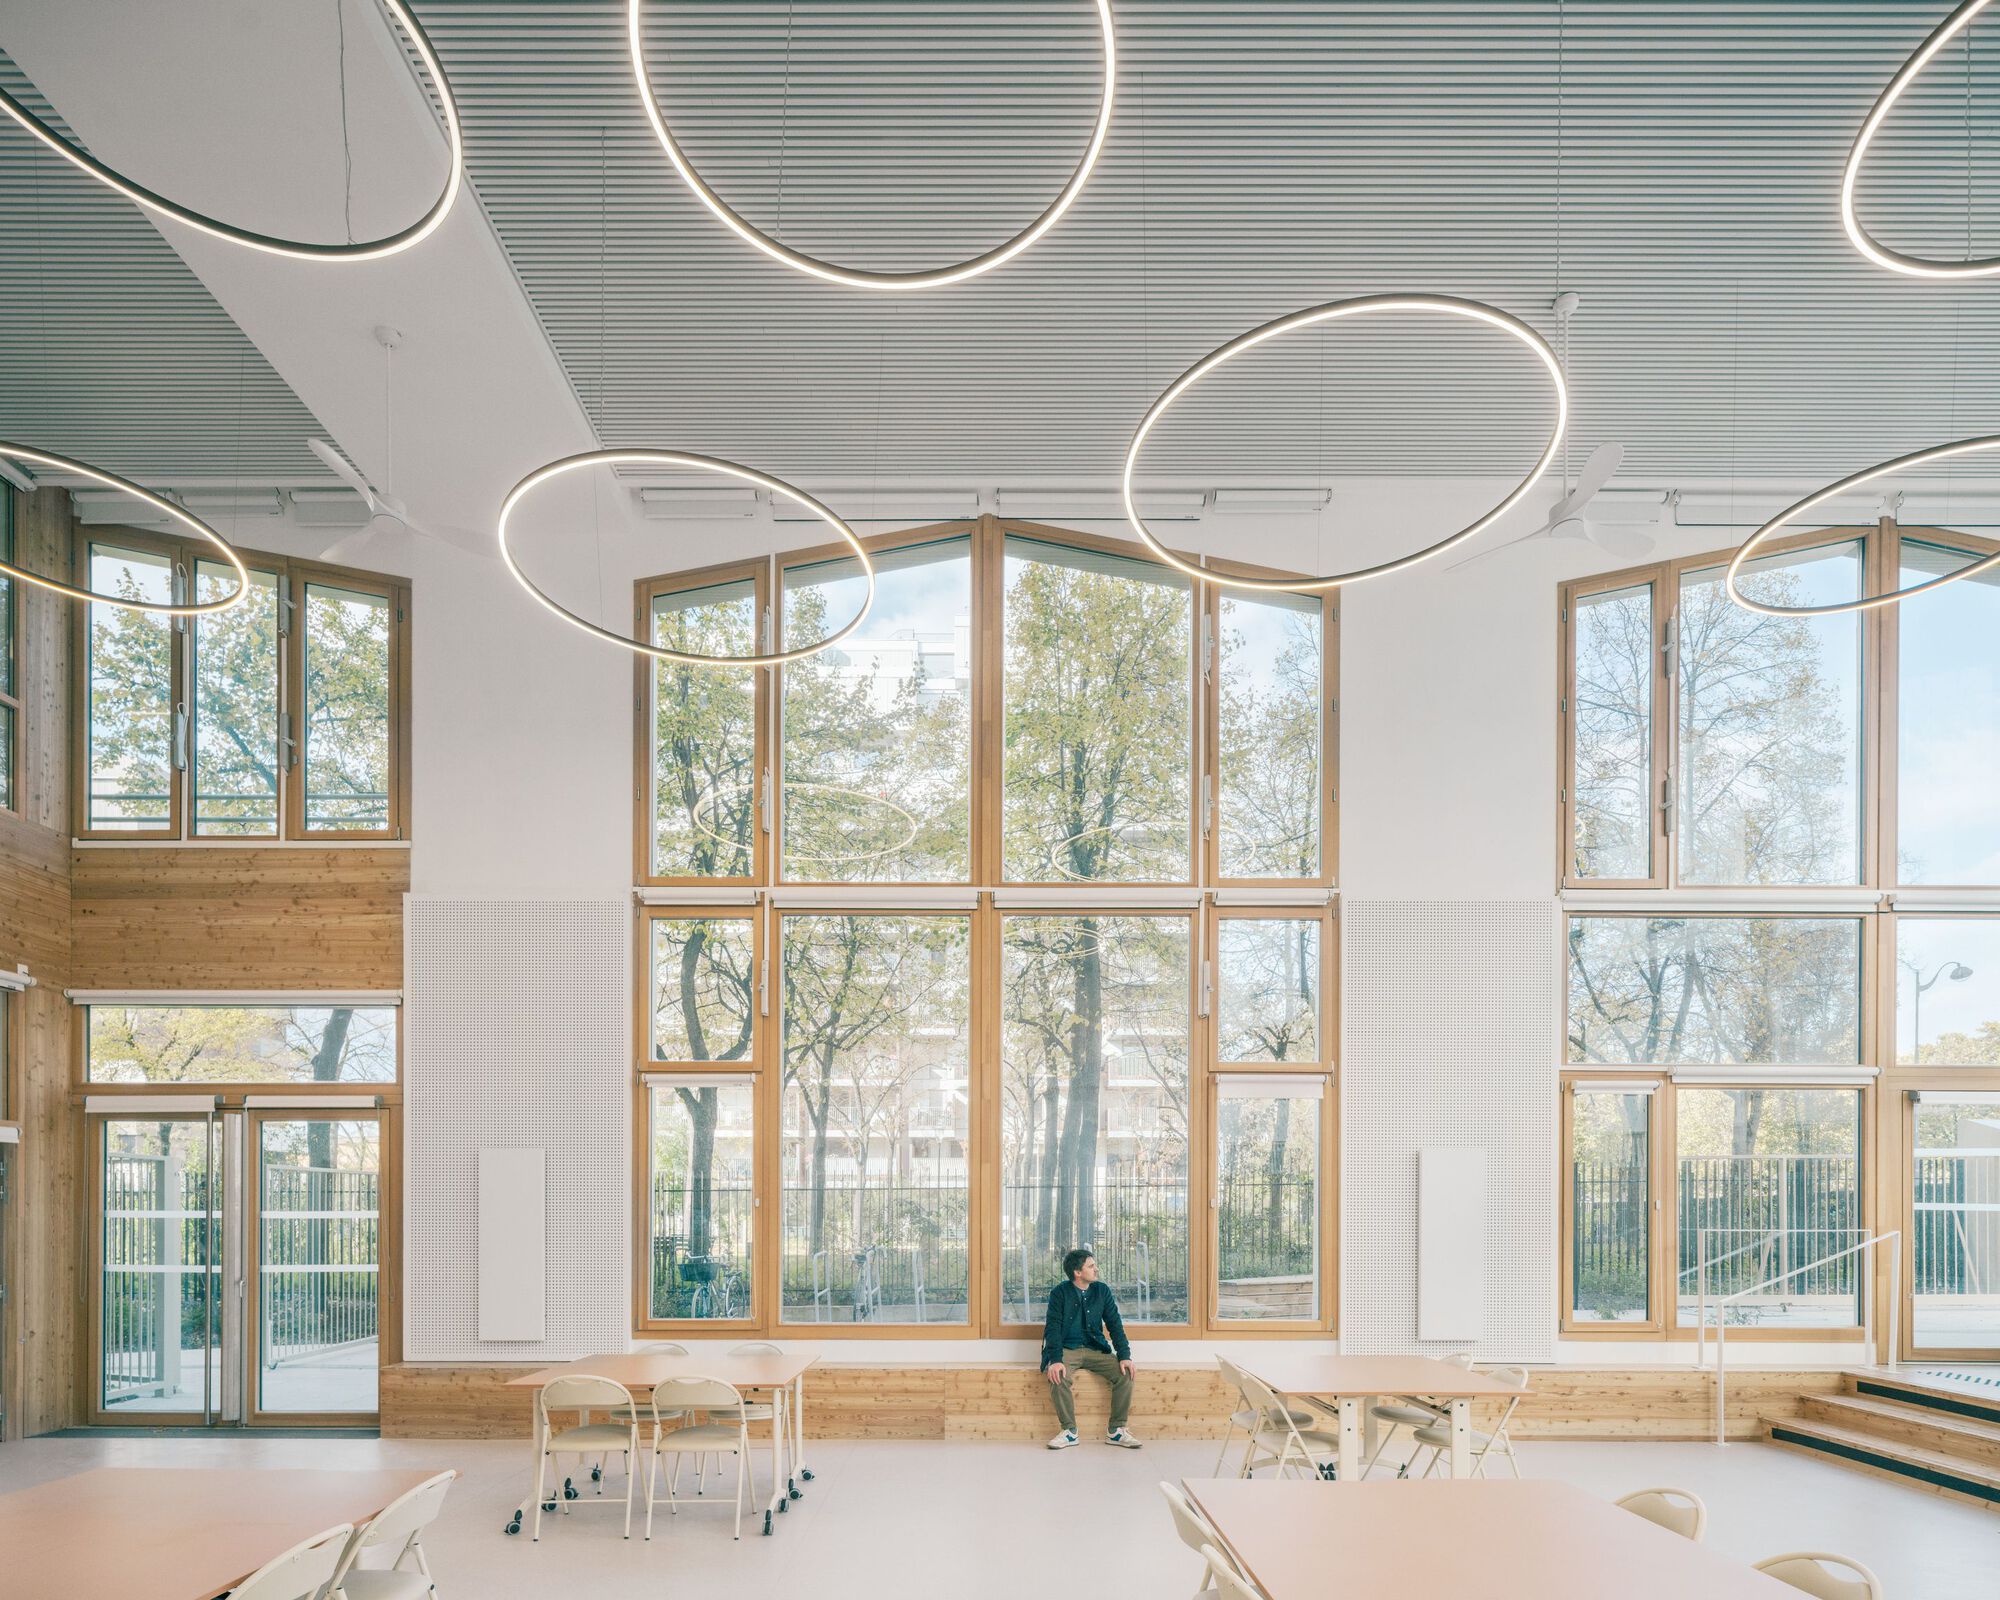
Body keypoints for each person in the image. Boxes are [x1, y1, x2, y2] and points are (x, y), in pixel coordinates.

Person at [1041, 1247, 1140, 1450]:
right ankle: (1069, 1431)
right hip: (1068, 1348)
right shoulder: (1060, 1293)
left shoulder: (1101, 1290)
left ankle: (1116, 1431)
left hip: (1095, 1349)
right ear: (1078, 1273)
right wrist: (1055, 1359)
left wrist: (1124, 1356)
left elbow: (1114, 1324)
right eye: (1091, 1266)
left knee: (1125, 1373)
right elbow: (1053, 1329)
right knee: (1058, 1375)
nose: (1097, 1269)